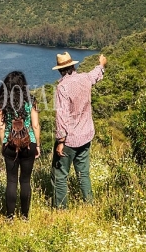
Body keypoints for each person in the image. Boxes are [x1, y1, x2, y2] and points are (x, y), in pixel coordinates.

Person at [51, 52, 107, 209]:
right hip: (86, 136)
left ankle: (61, 210)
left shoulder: (62, 87)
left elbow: (61, 116)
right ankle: (89, 205)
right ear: (73, 66)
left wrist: (60, 141)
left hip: (69, 140)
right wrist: (101, 64)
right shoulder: (84, 78)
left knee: (60, 176)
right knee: (83, 174)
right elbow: (95, 74)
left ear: (60, 70)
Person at [0, 71, 41, 220]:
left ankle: (9, 217)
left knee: (11, 180)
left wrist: (3, 145)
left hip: (10, 145)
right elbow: (35, 126)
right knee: (25, 181)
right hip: (29, 145)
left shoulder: (3, 103)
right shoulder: (31, 101)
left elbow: (1, 127)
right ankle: (25, 216)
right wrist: (38, 146)